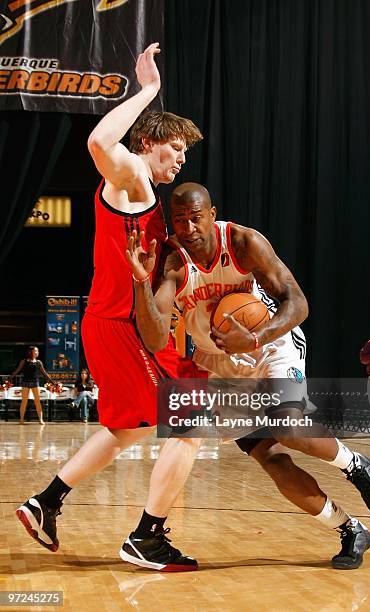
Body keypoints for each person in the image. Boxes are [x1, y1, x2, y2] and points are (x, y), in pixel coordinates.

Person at [127, 182, 370, 570]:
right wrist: (140, 281)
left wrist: (254, 335)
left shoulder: (242, 242)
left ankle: (354, 465)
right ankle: (350, 529)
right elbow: (153, 338)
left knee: (287, 424)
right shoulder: (171, 260)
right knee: (271, 458)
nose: (188, 228)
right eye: (180, 220)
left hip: (271, 344)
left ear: (212, 215)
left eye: (196, 218)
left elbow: (297, 302)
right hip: (218, 365)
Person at [16, 43, 205, 572]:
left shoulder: (147, 195)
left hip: (114, 324)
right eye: (175, 149)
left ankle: (46, 502)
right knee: (187, 420)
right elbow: (100, 139)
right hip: (118, 325)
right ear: (148, 143)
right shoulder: (132, 179)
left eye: (186, 154)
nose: (182, 160)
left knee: (129, 428)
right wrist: (147, 92)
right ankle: (148, 537)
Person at [9, 346, 54, 425]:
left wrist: (52, 381)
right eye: (36, 351)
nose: (37, 352)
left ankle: (40, 419)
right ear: (31, 352)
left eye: (38, 351)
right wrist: (9, 378)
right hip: (25, 382)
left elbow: (44, 373)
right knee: (24, 402)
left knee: (37, 401)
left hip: (35, 382)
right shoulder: (24, 361)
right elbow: (17, 370)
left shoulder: (38, 362)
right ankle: (21, 419)